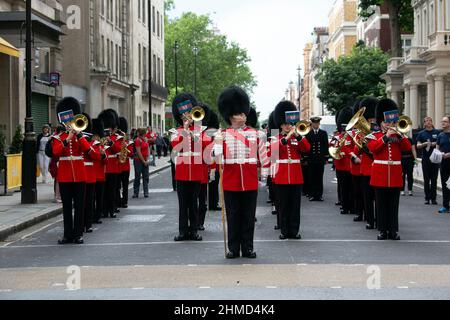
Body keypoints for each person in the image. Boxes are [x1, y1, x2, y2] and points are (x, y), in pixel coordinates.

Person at [215, 86, 270, 259]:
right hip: (231, 179)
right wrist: (217, 143)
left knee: (248, 216)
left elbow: (263, 156)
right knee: (232, 215)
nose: (243, 116)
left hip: (249, 178)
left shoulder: (256, 134)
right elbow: (216, 158)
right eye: (239, 113)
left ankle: (247, 248)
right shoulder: (222, 134)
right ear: (231, 116)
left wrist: (265, 176)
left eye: (244, 113)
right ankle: (233, 248)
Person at [367, 99, 412, 240]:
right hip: (380, 175)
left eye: (390, 122)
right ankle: (382, 230)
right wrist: (385, 137)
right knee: (381, 204)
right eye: (386, 122)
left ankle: (393, 230)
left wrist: (399, 134)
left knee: (393, 205)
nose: (388, 125)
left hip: (395, 175)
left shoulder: (399, 136)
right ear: (380, 122)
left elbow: (407, 148)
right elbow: (373, 148)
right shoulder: (374, 136)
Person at [171, 93, 210, 242]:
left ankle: (193, 231)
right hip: (181, 172)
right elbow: (176, 147)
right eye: (183, 115)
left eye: (188, 113)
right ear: (180, 117)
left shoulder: (200, 131)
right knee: (183, 204)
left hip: (195, 171)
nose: (186, 117)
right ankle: (182, 232)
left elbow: (206, 147)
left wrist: (194, 134)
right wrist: (186, 131)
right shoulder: (176, 132)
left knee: (193, 203)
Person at [52, 97, 91, 245]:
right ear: (63, 121)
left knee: (79, 206)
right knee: (67, 207)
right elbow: (56, 152)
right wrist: (68, 138)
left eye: (71, 121)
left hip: (80, 176)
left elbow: (88, 149)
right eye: (67, 122)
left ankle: (78, 234)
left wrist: (79, 135)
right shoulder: (58, 138)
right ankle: (67, 234)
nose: (69, 124)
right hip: (65, 176)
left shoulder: (81, 136)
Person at [270, 101, 310, 240]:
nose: (288, 126)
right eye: (286, 124)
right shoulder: (275, 138)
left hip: (295, 175)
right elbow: (273, 152)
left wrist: (298, 136)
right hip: (281, 175)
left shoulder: (296, 138)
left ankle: (294, 230)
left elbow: (306, 149)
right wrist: (287, 138)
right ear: (280, 125)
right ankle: (284, 230)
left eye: (290, 124)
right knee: (284, 205)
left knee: (295, 205)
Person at [355, 97, 379, 229]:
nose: (372, 122)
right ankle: (370, 220)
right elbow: (355, 150)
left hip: (378, 169)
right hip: (365, 170)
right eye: (370, 120)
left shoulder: (380, 134)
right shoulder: (361, 133)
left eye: (373, 119)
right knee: (368, 197)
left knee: (379, 198)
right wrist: (362, 143)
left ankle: (379, 218)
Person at [99, 109, 123, 218]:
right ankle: (104, 210)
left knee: (112, 190)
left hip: (113, 167)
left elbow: (119, 149)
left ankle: (112, 209)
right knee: (103, 192)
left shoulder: (117, 138)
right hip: (103, 167)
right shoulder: (101, 138)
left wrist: (111, 142)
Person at [333, 107, 354, 215]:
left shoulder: (352, 136)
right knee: (344, 187)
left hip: (350, 165)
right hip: (341, 165)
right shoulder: (275, 133)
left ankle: (351, 206)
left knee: (351, 188)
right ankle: (345, 205)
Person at [416, 117, 440, 205]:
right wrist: (424, 144)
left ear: (432, 122)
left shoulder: (437, 132)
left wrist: (435, 144)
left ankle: (433, 198)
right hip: (425, 159)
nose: (428, 122)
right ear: (424, 123)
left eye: (430, 120)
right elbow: (417, 146)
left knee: (434, 179)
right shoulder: (421, 133)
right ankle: (427, 198)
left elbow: (441, 142)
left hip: (435, 159)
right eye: (426, 121)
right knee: (426, 179)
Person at [305, 116, 329, 201]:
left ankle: (319, 195)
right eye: (314, 123)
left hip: (320, 159)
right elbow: (306, 147)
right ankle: (312, 194)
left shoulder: (323, 133)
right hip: (311, 159)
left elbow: (326, 145)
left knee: (319, 177)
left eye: (317, 123)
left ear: (319, 124)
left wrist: (326, 158)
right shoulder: (308, 133)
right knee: (311, 177)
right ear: (312, 124)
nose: (316, 125)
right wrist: (306, 158)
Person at [91, 118, 107, 225]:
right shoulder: (89, 145)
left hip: (100, 175)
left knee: (99, 197)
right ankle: (91, 215)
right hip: (91, 175)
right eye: (94, 136)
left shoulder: (101, 146)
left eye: (97, 136)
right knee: (91, 198)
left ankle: (98, 215)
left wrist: (103, 154)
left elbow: (105, 162)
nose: (95, 138)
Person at [436, 116, 450, 214]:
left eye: (445, 121)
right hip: (444, 163)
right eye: (442, 121)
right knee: (445, 185)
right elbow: (437, 149)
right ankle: (445, 206)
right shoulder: (440, 135)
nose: (443, 123)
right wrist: (440, 154)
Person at [133, 128, 150, 198]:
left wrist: (148, 159)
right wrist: (143, 161)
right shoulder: (137, 140)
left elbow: (148, 150)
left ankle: (146, 192)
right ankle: (136, 192)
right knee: (137, 176)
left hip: (145, 159)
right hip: (138, 160)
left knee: (146, 177)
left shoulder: (145, 140)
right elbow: (138, 152)